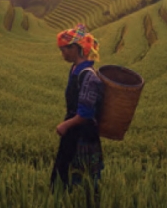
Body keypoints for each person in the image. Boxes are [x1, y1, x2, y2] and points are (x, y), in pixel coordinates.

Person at [50, 23, 104, 207]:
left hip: (83, 136)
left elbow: (86, 113)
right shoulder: (75, 69)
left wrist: (65, 125)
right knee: (62, 177)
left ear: (76, 48)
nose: (62, 54)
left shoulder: (89, 76)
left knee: (83, 182)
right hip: (73, 133)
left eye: (64, 49)